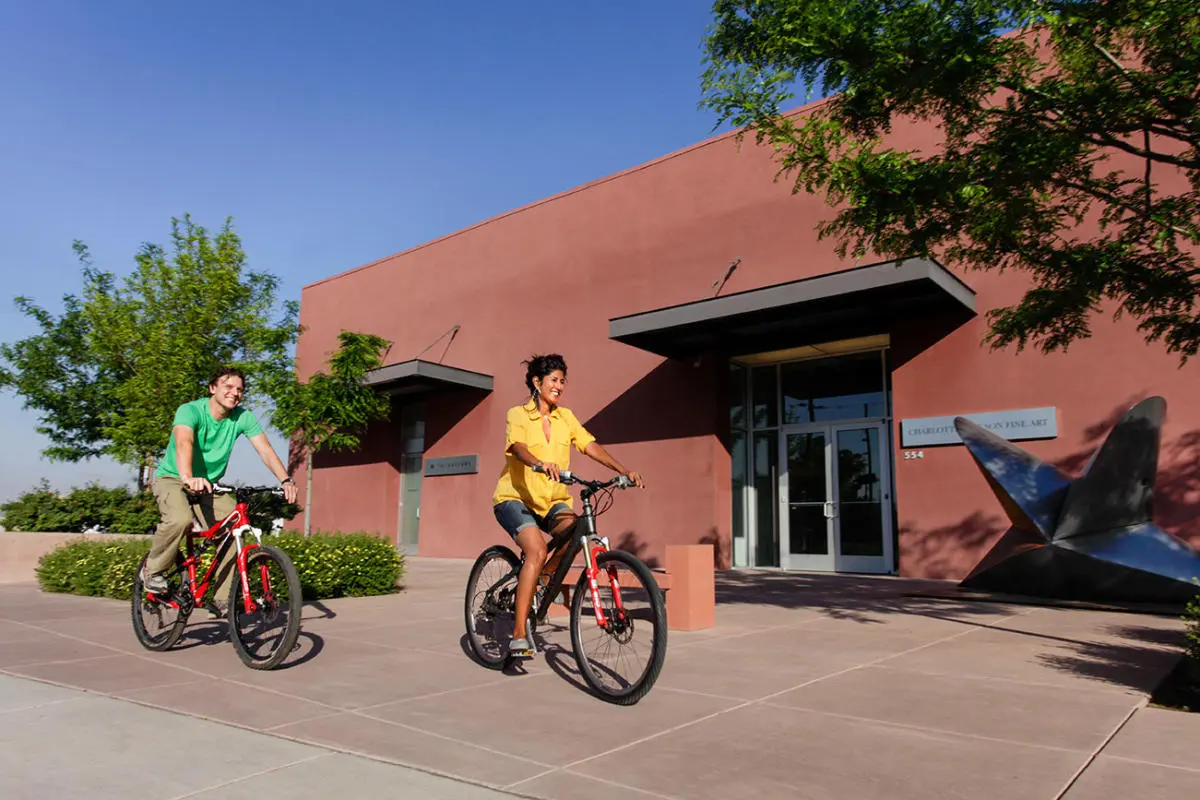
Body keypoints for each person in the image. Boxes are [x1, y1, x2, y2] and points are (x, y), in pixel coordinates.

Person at [492, 354, 644, 658]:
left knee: (576, 533)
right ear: (537, 382)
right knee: (535, 548)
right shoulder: (518, 414)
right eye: (554, 380)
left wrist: (621, 470)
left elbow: (589, 445)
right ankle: (519, 633)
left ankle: (541, 582)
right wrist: (538, 463)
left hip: (553, 501)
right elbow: (518, 448)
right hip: (515, 498)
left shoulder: (566, 418)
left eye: (563, 381)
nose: (559, 386)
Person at [141, 367, 299, 614]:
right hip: (173, 476)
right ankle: (152, 572)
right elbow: (184, 442)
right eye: (228, 387)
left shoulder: (242, 417)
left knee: (234, 530)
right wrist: (187, 477)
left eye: (240, 390)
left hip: (208, 485)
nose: (235, 393)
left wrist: (286, 480)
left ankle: (222, 598)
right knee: (180, 519)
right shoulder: (190, 410)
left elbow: (265, 450)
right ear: (212, 388)